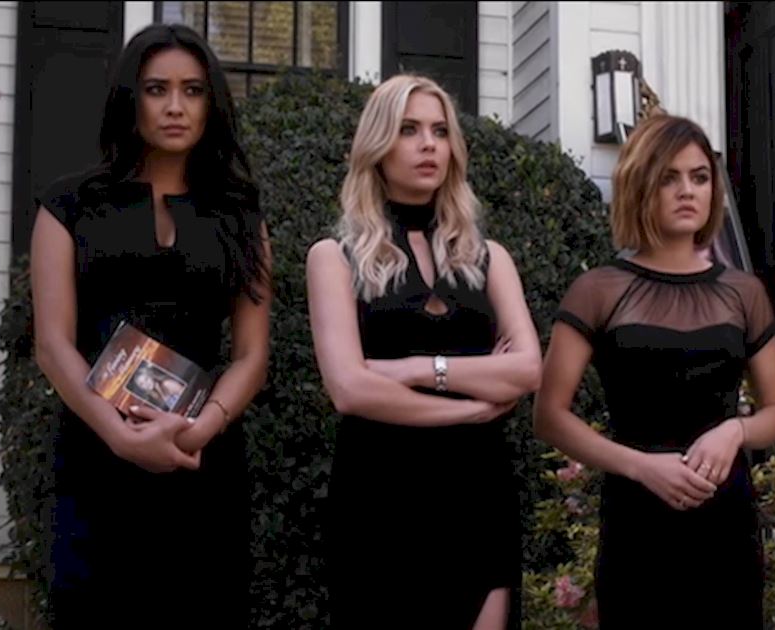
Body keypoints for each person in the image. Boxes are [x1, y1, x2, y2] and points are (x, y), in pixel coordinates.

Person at [30, 23, 271, 628]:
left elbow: (251, 354)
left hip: (203, 464)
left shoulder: (241, 214)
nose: (175, 106)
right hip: (95, 462)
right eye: (156, 89)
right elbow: (53, 343)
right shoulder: (68, 206)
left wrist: (198, 430)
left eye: (193, 90)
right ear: (129, 97)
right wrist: (119, 436)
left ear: (211, 102)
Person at [534, 114, 775, 628]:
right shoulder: (599, 289)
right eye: (669, 177)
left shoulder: (744, 292)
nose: (687, 191)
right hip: (637, 517)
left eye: (699, 177)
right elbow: (549, 416)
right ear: (641, 184)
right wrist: (640, 466)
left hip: (725, 518)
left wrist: (734, 431)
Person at [306, 74, 541, 629]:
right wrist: (470, 407)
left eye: (439, 131)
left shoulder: (489, 258)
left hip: (478, 494)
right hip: (379, 499)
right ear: (378, 145)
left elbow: (528, 369)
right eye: (409, 130)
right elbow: (349, 389)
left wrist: (413, 369)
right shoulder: (334, 257)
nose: (428, 144)